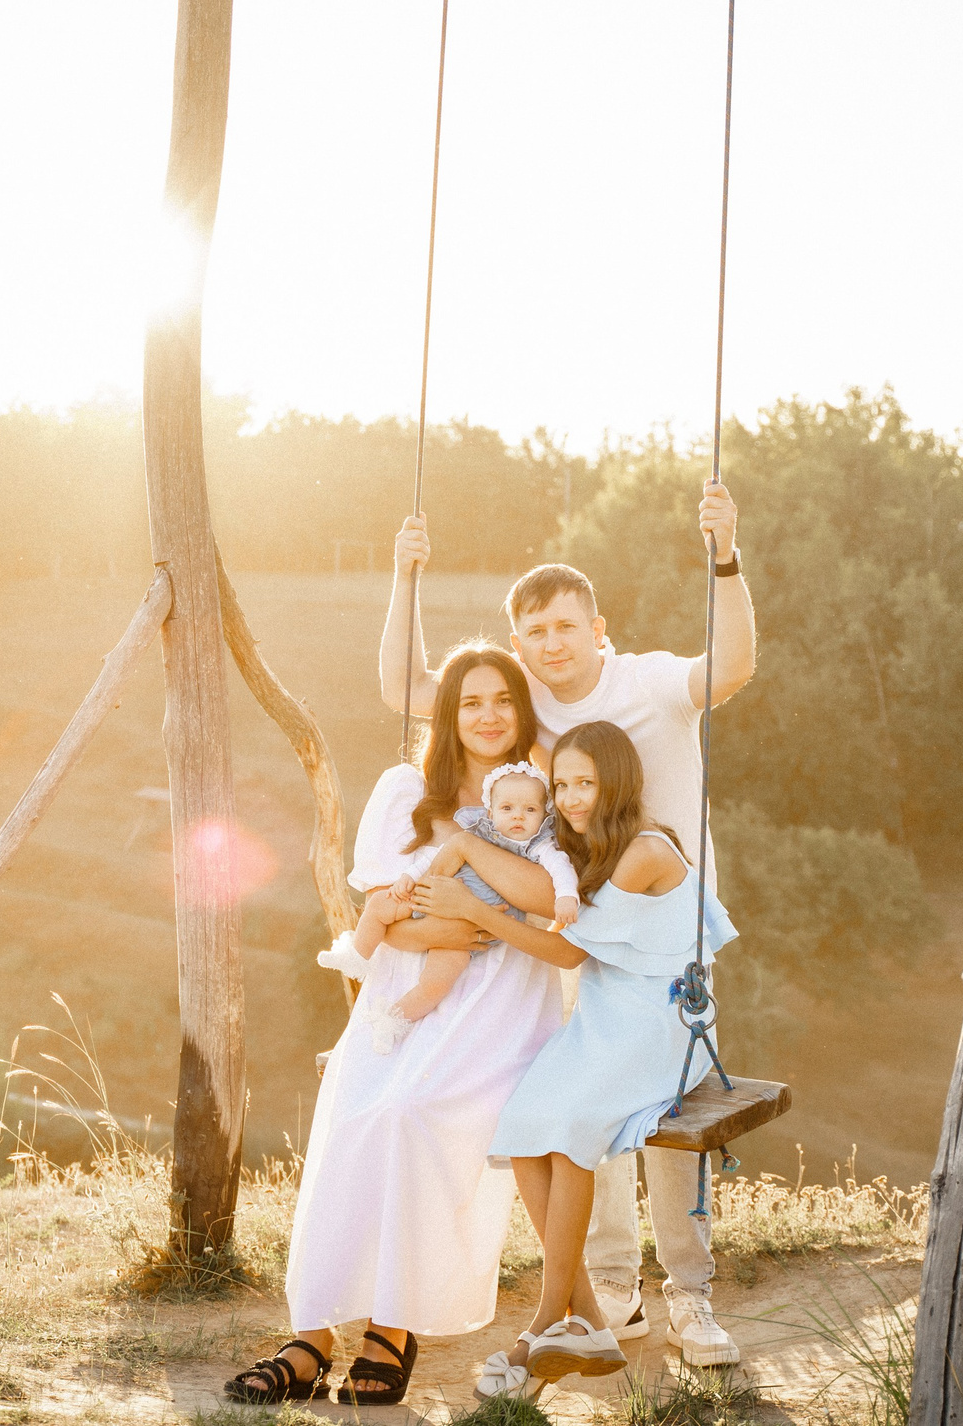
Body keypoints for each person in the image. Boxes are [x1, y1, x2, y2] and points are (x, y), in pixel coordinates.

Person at [373, 479, 754, 1366]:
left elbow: (730, 666)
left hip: (663, 926)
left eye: (566, 626)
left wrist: (725, 556)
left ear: (599, 629)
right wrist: (405, 575)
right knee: (595, 1107)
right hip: (580, 920)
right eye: (535, 631)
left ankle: (690, 1294)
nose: (552, 643)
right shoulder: (530, 708)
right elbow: (405, 687)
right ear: (519, 642)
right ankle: (613, 1289)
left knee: (670, 1102)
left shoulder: (652, 681)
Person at [223, 645, 567, 1408]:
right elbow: (383, 902)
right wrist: (444, 923)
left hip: (501, 994)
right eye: (470, 700)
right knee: (355, 1114)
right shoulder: (407, 787)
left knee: (412, 1115)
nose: (487, 714)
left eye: (503, 699)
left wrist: (465, 914)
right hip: (403, 984)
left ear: (522, 711)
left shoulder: (540, 795)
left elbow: (547, 897)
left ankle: (392, 1323)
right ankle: (311, 1335)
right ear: (447, 712)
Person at [413, 720, 737, 1403]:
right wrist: (471, 844)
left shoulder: (644, 850)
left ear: (615, 780)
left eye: (584, 782)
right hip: (602, 1015)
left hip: (659, 1023)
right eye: (561, 784)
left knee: (573, 1130)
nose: (571, 796)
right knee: (527, 1123)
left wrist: (473, 904)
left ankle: (539, 1327)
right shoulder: (585, 846)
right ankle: (586, 1317)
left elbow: (567, 949)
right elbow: (543, 893)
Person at [358, 762, 578, 1050]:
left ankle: (391, 1020)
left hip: (475, 936)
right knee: (380, 905)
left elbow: (561, 870)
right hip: (432, 903)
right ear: (491, 812)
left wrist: (566, 895)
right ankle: (355, 955)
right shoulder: (478, 831)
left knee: (434, 984)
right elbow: (434, 858)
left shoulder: (538, 846)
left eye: (530, 810)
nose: (518, 818)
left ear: (544, 814)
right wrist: (408, 878)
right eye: (507, 809)